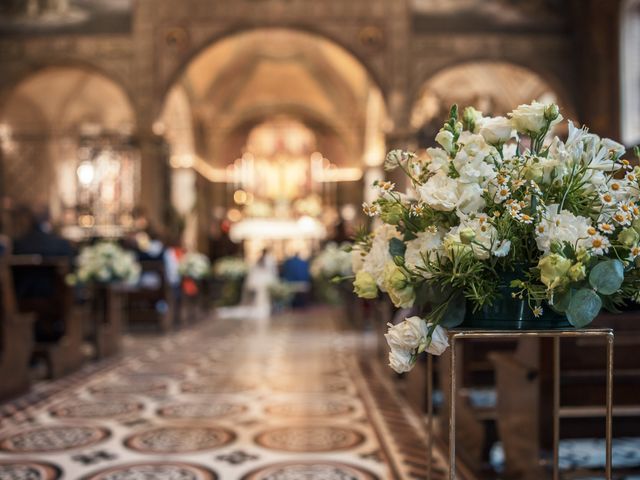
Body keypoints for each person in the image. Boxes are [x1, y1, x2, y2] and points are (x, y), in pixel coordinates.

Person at [217, 249, 277, 322]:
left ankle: (263, 306)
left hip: (261, 279)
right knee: (262, 295)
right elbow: (271, 270)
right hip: (264, 279)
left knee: (262, 295)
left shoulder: (262, 259)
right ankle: (263, 306)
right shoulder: (268, 259)